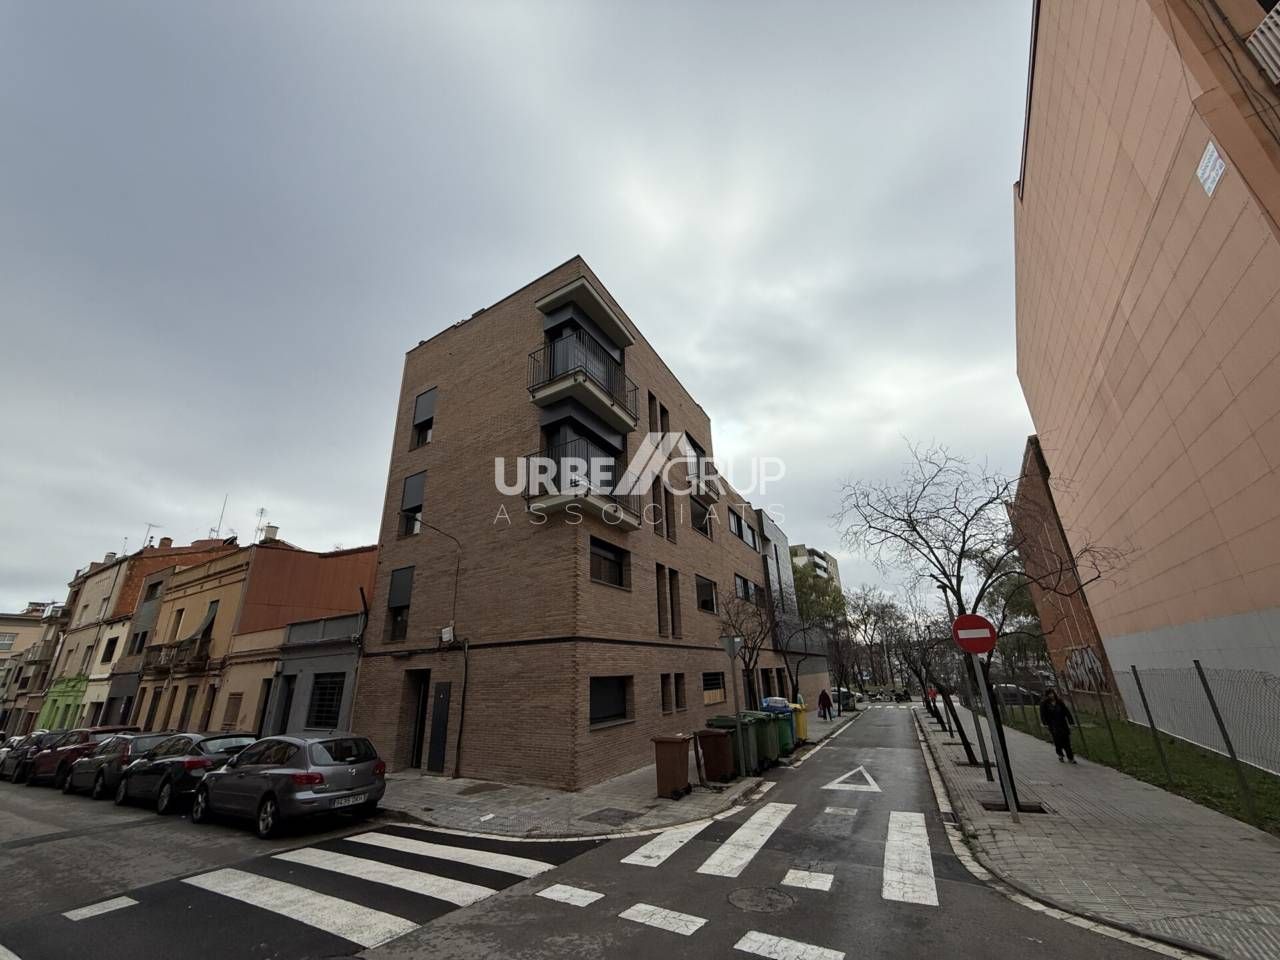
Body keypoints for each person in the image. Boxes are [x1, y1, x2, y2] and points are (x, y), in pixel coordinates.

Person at [1039, 689, 1077, 763]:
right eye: (1050, 694)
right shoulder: (1044, 704)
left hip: (1062, 724)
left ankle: (1070, 758)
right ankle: (1060, 754)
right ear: (1047, 695)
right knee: (1057, 741)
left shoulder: (1059, 702)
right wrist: (1045, 723)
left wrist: (1071, 722)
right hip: (1053, 725)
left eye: (1052, 693)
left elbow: (1066, 712)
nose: (1052, 695)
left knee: (1067, 742)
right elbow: (1042, 714)